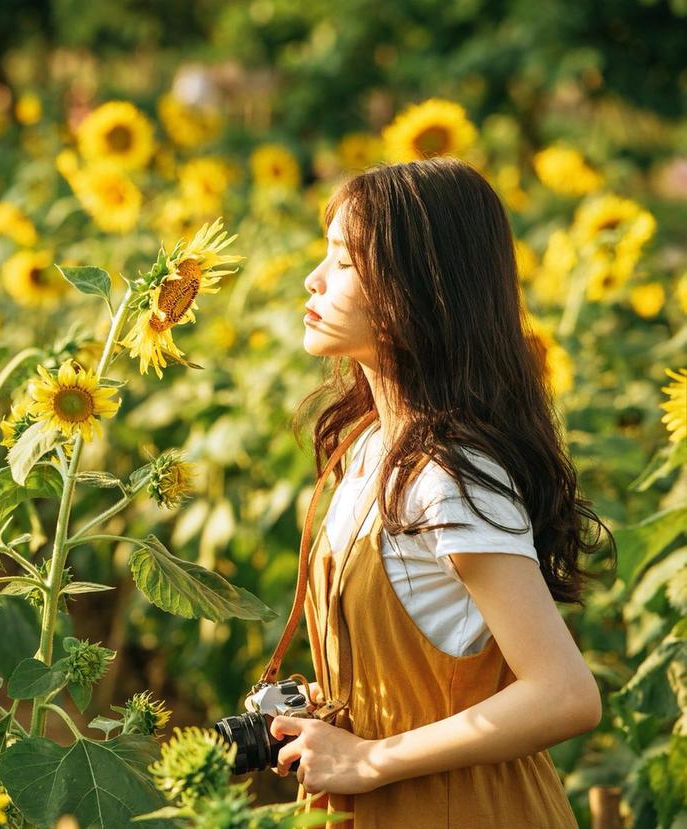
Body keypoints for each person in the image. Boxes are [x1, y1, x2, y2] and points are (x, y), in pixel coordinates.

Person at [271, 156, 613, 827]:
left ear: (415, 290)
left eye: (342, 261)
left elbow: (566, 694)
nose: (312, 279)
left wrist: (367, 758)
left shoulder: (447, 476)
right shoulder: (369, 446)